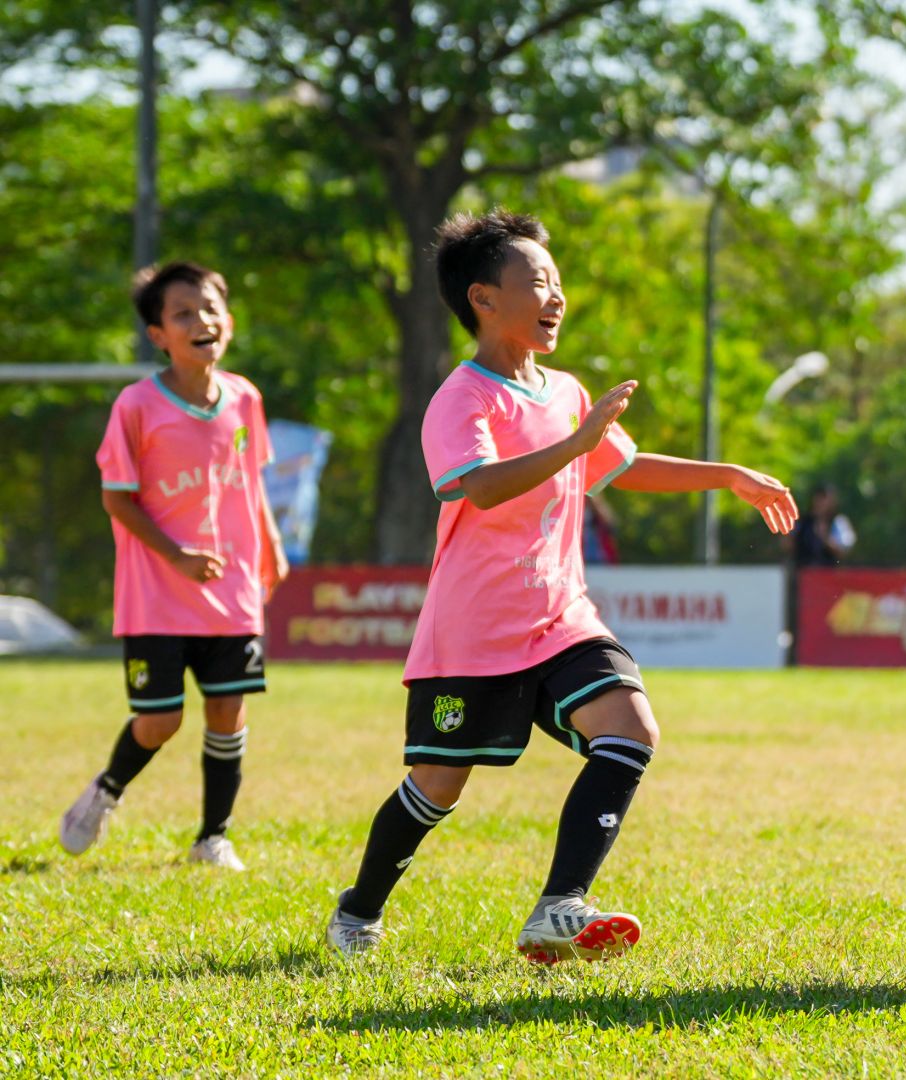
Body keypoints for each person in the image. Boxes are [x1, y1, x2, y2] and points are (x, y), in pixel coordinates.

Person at [323, 209, 798, 962]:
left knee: (631, 729)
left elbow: (620, 467)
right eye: (538, 282)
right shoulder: (462, 398)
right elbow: (478, 486)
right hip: (474, 634)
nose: (556, 297)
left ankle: (559, 907)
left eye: (557, 282)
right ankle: (358, 910)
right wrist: (576, 443)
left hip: (561, 618)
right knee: (437, 786)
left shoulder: (567, 392)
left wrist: (727, 475)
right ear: (484, 299)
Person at [59, 261, 288, 873]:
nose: (201, 320)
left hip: (232, 590)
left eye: (210, 308)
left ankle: (213, 838)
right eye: (183, 313)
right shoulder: (136, 405)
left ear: (228, 320)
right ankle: (107, 789)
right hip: (156, 594)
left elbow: (252, 480)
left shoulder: (245, 397)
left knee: (228, 712)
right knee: (160, 720)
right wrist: (176, 556)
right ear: (158, 334)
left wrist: (270, 541)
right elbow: (117, 499)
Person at [789, 485, 856, 568]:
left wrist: (825, 538)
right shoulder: (802, 521)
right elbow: (787, 545)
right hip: (803, 571)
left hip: (828, 572)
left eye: (824, 499)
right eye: (818, 498)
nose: (820, 502)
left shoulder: (838, 522)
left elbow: (843, 551)